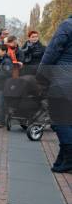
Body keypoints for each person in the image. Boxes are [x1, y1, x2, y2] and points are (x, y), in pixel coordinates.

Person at [37, 15, 72, 173]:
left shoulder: (67, 25)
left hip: (64, 78)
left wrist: (41, 75)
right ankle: (62, 161)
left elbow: (52, 51)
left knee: (59, 120)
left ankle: (69, 159)